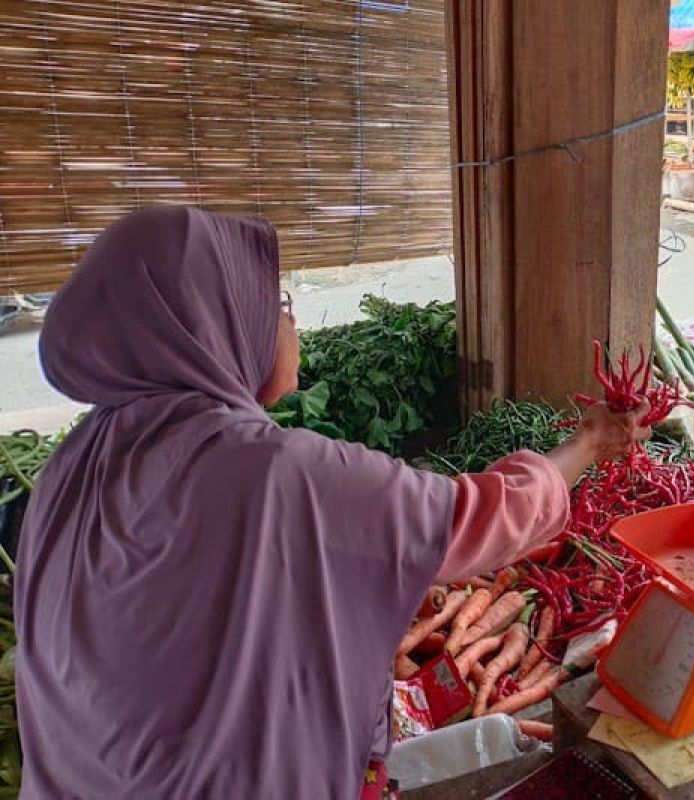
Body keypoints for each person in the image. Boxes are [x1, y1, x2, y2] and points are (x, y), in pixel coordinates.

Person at [14, 207, 650, 798]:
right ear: (215, 323)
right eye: (276, 301)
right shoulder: (277, 474)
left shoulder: (72, 465)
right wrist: (590, 441)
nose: (287, 319)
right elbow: (483, 517)